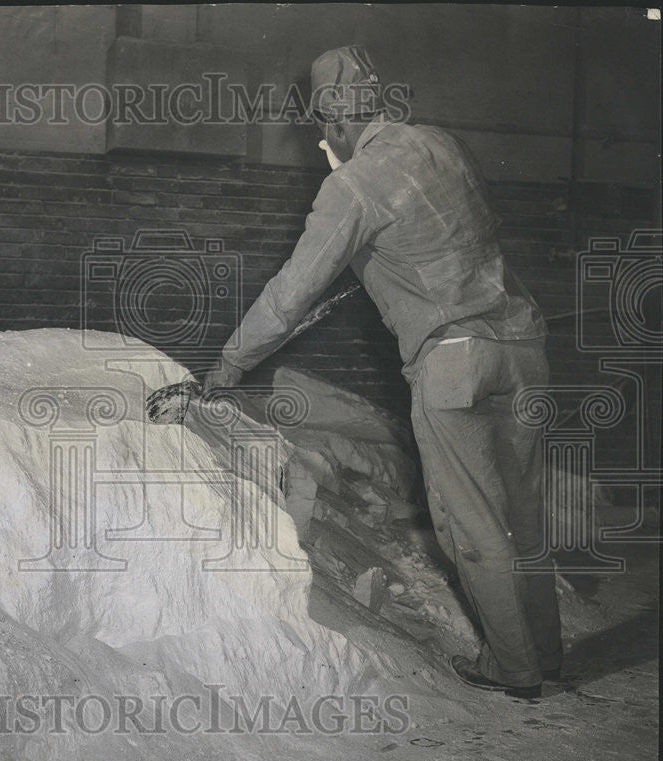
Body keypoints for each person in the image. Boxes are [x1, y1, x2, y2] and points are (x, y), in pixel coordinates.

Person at [203, 45, 562, 699]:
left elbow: (291, 294)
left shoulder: (352, 185)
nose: (323, 139)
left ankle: (514, 671)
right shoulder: (441, 146)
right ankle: (547, 653)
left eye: (321, 127)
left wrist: (230, 364)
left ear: (337, 122)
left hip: (455, 361)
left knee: (472, 522)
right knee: (524, 514)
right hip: (521, 346)